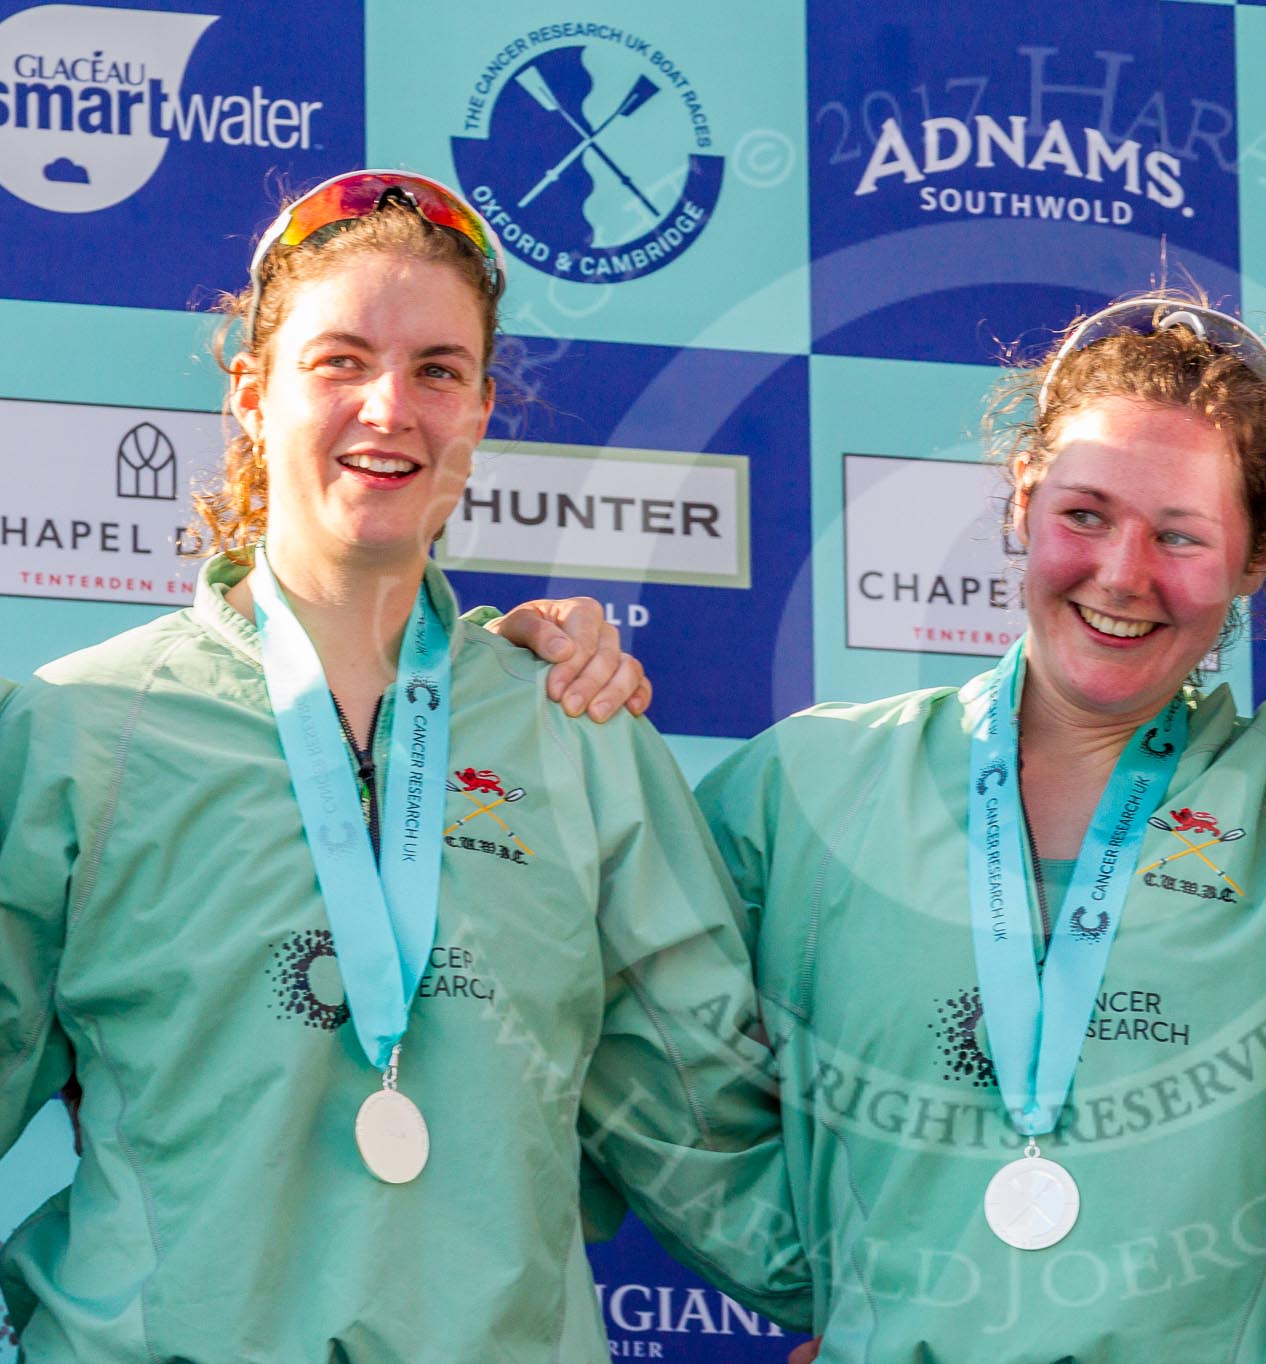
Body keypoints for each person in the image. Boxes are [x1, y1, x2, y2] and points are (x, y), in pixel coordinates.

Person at [0, 170, 805, 1360]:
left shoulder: (573, 733)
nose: (391, 406)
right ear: (250, 394)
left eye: (437, 368)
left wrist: (919, 1307)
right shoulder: (76, 731)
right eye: (338, 360)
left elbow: (708, 1135)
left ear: (481, 409)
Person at [698, 295, 1266, 1361]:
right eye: (1085, 514)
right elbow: (617, 1006)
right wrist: (844, 1275)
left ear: (1253, 560)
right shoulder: (811, 780)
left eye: (1181, 535)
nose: (1122, 573)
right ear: (1022, 498)